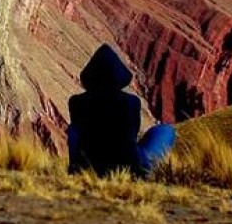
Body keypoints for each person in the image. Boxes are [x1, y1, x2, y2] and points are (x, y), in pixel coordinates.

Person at [67, 44, 175, 178]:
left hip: (89, 167)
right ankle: (144, 172)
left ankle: (76, 168)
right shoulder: (131, 102)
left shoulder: (76, 102)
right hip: (129, 168)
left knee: (73, 130)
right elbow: (132, 134)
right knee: (165, 131)